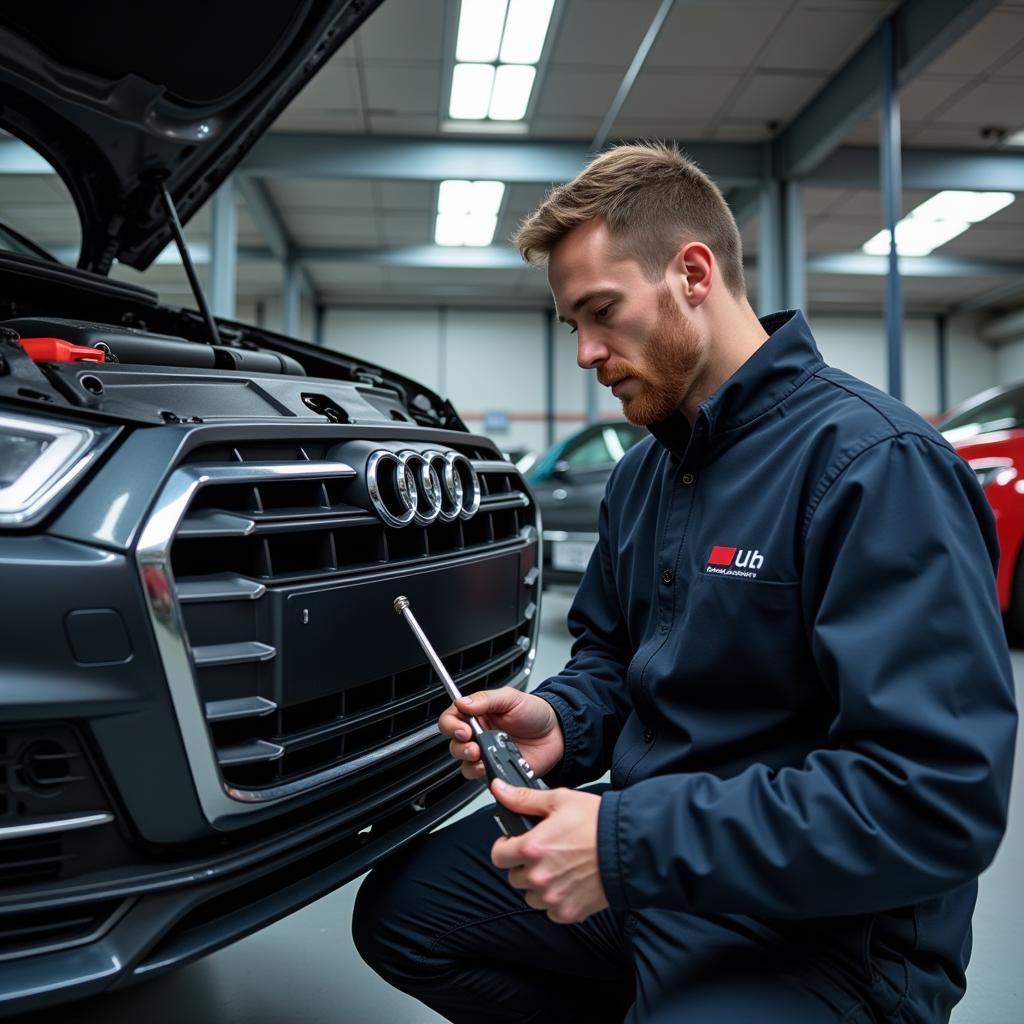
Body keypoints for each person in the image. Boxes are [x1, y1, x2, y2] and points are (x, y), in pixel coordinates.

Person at [352, 143, 1018, 1023]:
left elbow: (934, 799)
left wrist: (626, 845)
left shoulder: (871, 467)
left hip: (817, 933)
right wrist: (561, 723)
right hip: (661, 874)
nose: (586, 353)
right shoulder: (643, 479)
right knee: (405, 916)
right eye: (573, 326)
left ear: (693, 274)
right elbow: (613, 660)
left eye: (602, 312)